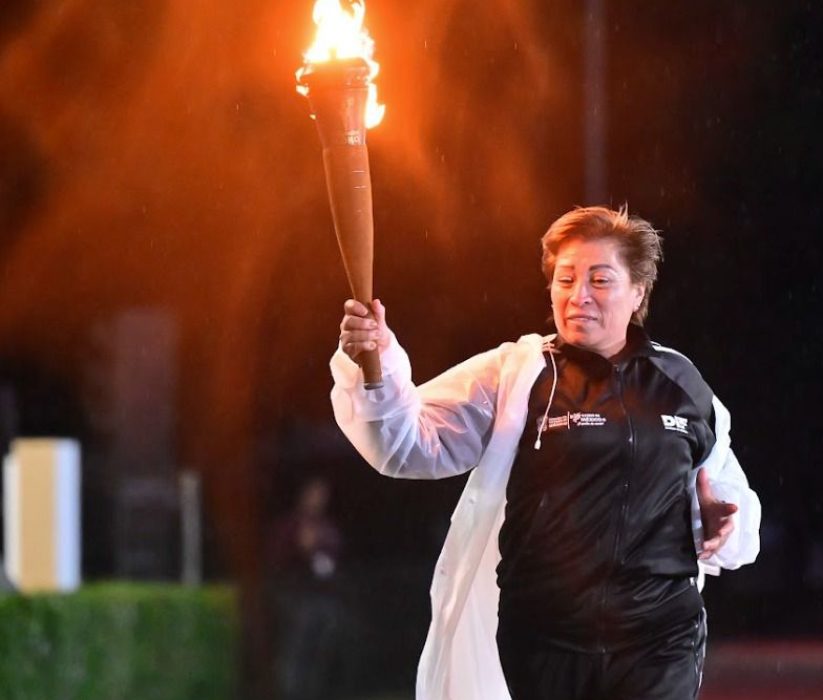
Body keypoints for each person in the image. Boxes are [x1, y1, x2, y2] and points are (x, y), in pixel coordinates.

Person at [330, 205, 760, 700]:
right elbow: (407, 444)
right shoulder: (517, 374)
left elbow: (731, 498)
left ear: (638, 291)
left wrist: (722, 520)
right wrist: (375, 359)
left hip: (659, 635)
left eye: (600, 280)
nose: (579, 296)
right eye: (565, 279)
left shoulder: (681, 383)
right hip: (545, 638)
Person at [267, 476, 344, 700]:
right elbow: (276, 561)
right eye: (314, 493)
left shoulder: (326, 528)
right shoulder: (290, 526)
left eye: (322, 494)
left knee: (323, 646)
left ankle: (316, 691)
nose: (318, 499)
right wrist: (298, 549)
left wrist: (315, 549)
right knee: (295, 650)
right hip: (293, 597)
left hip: (321, 597)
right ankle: (289, 693)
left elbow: (332, 562)